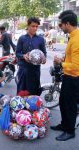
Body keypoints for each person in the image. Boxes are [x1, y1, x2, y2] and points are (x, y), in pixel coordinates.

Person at [51, 10, 79, 141]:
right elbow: (71, 57)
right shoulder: (72, 37)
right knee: (62, 102)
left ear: (67, 24)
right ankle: (64, 125)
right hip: (68, 76)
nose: (60, 28)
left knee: (70, 105)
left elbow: (76, 65)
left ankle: (70, 131)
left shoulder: (77, 39)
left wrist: (61, 63)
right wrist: (64, 58)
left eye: (61, 25)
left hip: (74, 78)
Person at [16, 17, 47, 95]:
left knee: (34, 91)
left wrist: (44, 59)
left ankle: (32, 106)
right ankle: (22, 107)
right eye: (33, 26)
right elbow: (17, 53)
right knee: (22, 91)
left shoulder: (40, 39)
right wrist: (23, 56)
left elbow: (44, 52)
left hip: (35, 69)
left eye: (36, 26)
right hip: (23, 68)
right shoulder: (22, 38)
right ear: (28, 26)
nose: (35, 28)